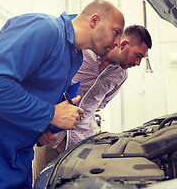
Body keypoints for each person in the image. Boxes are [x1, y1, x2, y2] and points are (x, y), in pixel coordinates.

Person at [0, 0, 125, 189]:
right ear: (95, 20)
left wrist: (43, 127)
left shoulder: (74, 56)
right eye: (116, 32)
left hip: (16, 160)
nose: (118, 43)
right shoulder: (45, 29)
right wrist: (51, 113)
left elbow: (28, 97)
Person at [32, 24, 152, 183]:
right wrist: (43, 122)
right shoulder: (83, 52)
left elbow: (101, 104)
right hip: (52, 136)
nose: (138, 63)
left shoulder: (121, 75)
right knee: (43, 184)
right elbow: (46, 86)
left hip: (83, 142)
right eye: (138, 55)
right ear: (124, 44)